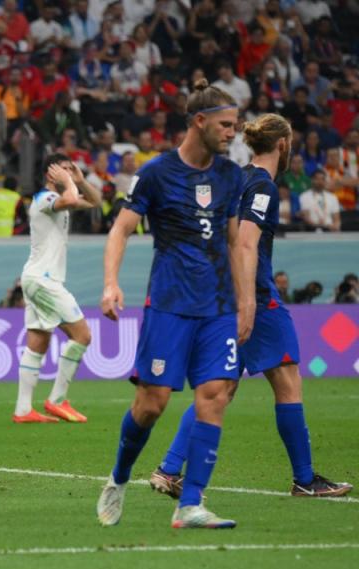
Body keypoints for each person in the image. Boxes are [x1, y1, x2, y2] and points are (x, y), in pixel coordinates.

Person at [151, 114, 352, 500]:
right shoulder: (261, 186)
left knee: (221, 387)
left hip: (221, 294)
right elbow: (244, 243)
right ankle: (305, 478)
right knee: (287, 379)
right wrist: (248, 301)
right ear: (282, 144)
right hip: (255, 299)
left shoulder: (233, 178)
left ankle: (169, 469)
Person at [97, 79, 245, 529]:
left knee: (215, 396)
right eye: (225, 125)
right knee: (152, 403)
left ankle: (191, 504)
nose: (232, 133)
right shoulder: (157, 172)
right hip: (169, 304)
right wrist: (110, 283)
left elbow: (236, 242)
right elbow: (121, 229)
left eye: (235, 126)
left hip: (218, 306)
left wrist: (246, 303)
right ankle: (119, 477)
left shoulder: (231, 175)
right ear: (198, 122)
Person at [13, 154, 101, 425]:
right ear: (51, 175)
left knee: (38, 341)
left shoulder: (59, 201)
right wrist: (68, 183)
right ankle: (58, 399)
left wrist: (80, 180)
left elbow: (96, 201)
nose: (69, 174)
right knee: (82, 335)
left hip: (37, 277)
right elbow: (72, 199)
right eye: (63, 170)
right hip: (44, 279)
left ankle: (23, 410)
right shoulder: (44, 199)